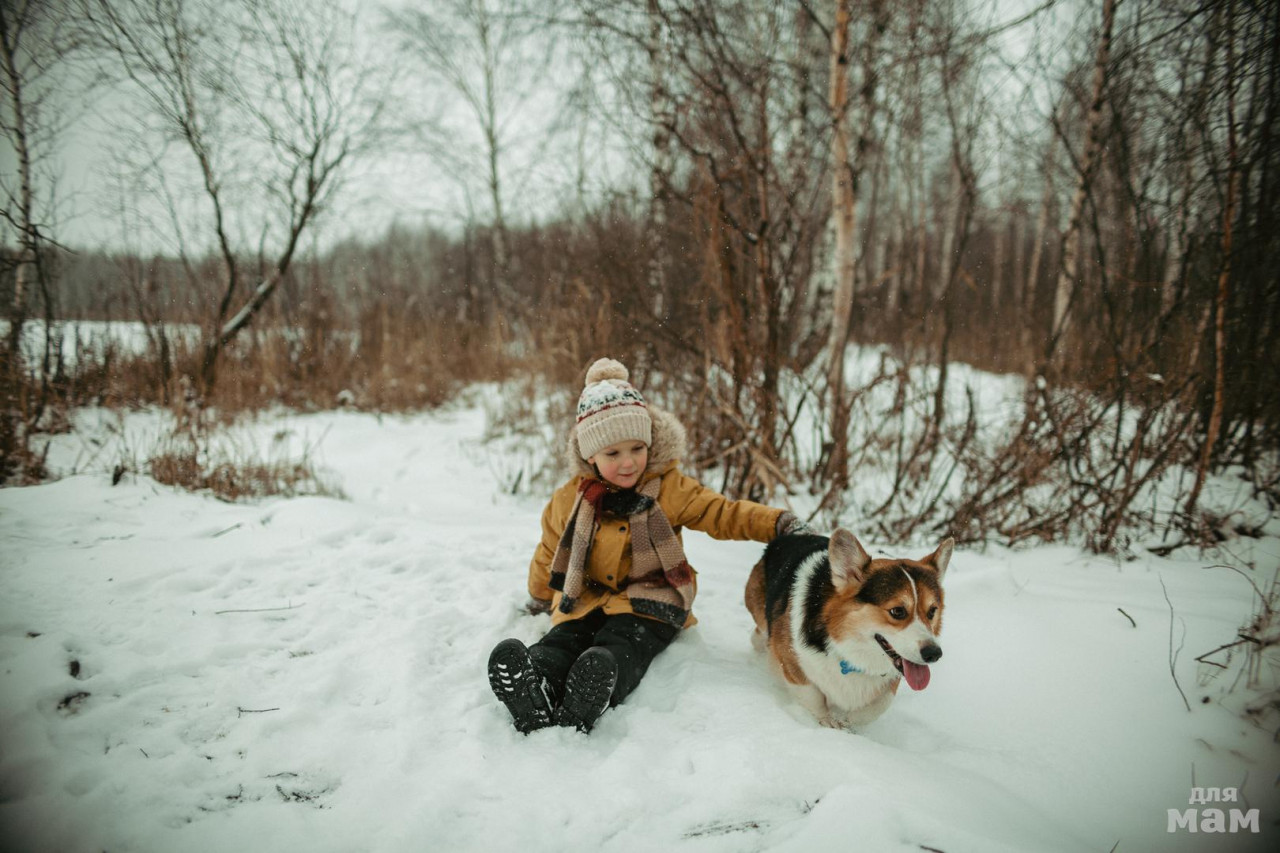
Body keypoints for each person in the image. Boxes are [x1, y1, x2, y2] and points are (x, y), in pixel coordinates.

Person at [487, 357, 808, 734]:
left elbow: (722, 513)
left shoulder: (671, 488)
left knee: (625, 643)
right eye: (613, 454)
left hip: (652, 599)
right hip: (587, 596)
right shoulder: (568, 501)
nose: (628, 463)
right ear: (590, 456)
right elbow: (548, 552)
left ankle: (594, 690)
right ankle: (536, 683)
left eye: (637, 448)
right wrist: (540, 596)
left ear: (650, 444)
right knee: (564, 638)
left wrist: (778, 523)